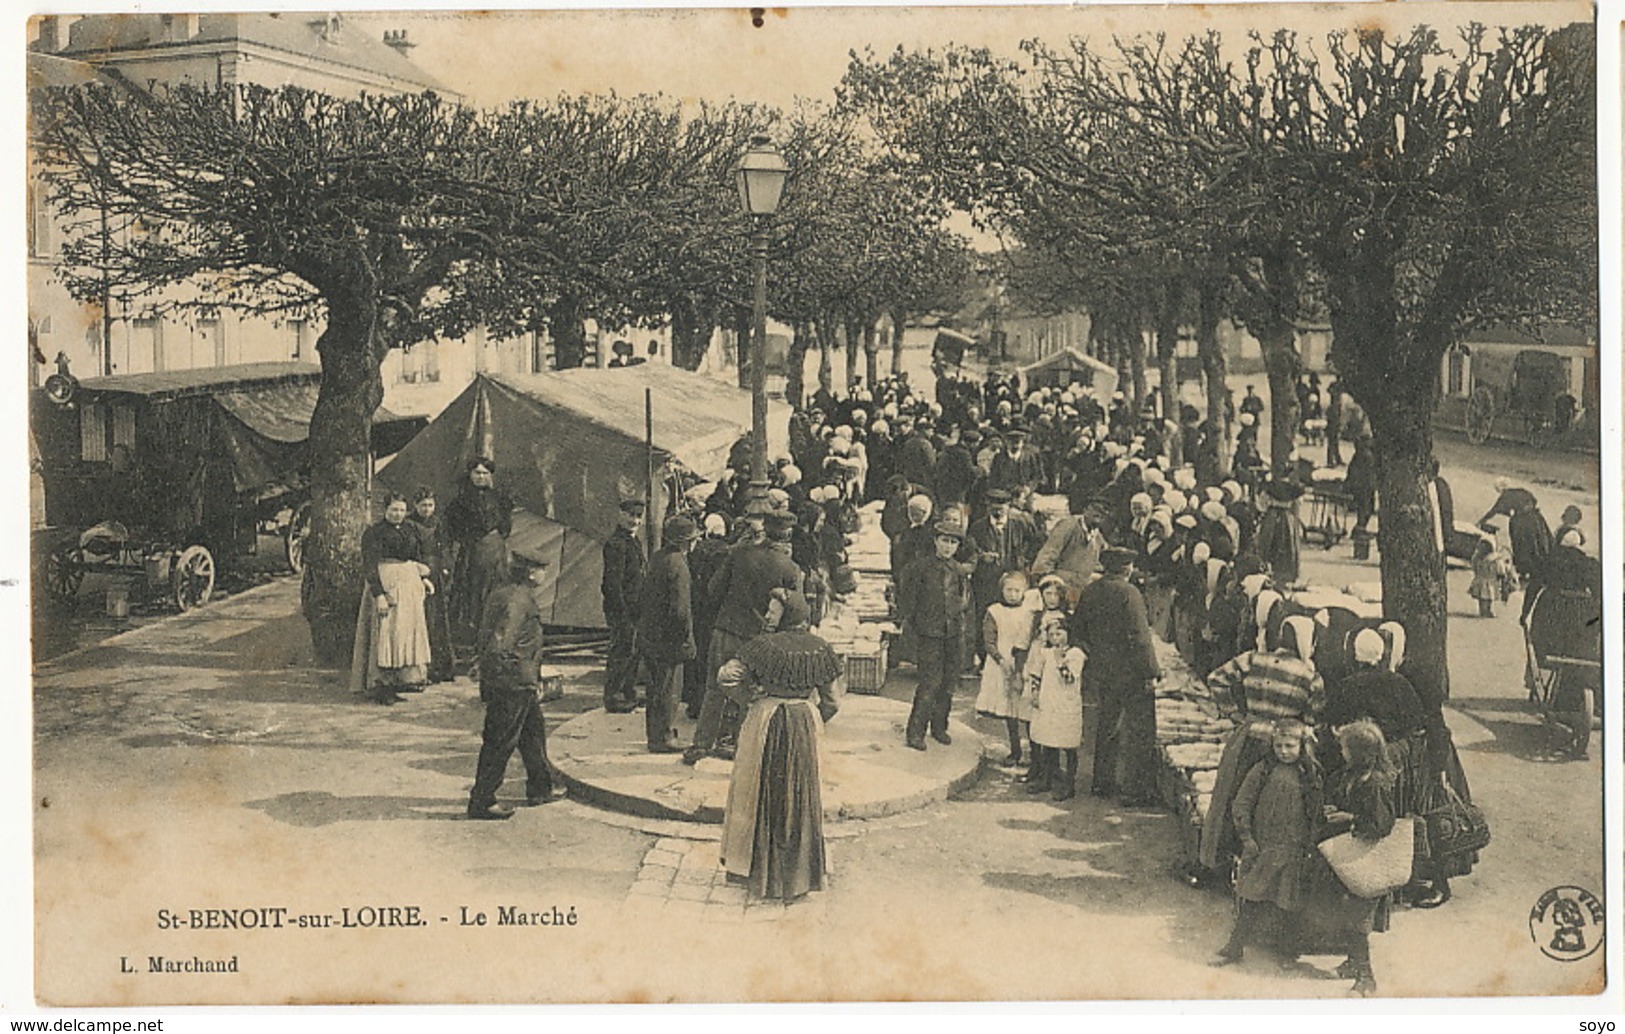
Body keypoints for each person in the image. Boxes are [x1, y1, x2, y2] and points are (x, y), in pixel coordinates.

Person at [718, 591, 842, 901]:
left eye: (773, 612)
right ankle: (799, 876)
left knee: (759, 792)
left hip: (767, 720)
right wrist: (813, 717)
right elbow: (832, 701)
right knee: (800, 797)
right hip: (804, 723)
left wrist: (751, 699)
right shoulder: (820, 649)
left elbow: (726, 677)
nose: (768, 616)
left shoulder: (762, 647)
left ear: (787, 615)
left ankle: (757, 872)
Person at [1199, 617, 1324, 874]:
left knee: (1232, 797)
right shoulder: (1310, 675)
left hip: (1247, 736)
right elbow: (1313, 716)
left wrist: (1233, 712)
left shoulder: (1252, 658)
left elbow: (1216, 679)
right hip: (1282, 744)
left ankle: (1218, 860)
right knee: (1267, 807)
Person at [686, 512, 804, 764]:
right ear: (787, 536)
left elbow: (713, 590)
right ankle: (737, 745)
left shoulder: (739, 554)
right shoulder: (790, 568)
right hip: (756, 638)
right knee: (747, 692)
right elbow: (795, 610)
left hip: (725, 628)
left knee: (713, 689)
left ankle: (701, 744)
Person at [1210, 719, 1321, 968]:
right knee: (1251, 896)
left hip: (1294, 850)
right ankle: (1235, 946)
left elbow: (1315, 813)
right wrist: (1247, 838)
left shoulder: (1310, 774)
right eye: (1279, 745)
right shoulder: (1262, 770)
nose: (1283, 751)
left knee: (1288, 902)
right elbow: (1242, 803)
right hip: (1262, 847)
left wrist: (1310, 845)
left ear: (1302, 746)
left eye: (1290, 746)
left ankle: (1287, 953)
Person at [1299, 721, 1397, 997]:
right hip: (1346, 857)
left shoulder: (1375, 784)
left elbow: (1381, 824)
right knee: (1346, 914)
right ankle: (1354, 962)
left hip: (1363, 860)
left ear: (1359, 753)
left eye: (1344, 748)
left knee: (1357, 920)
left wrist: (1349, 818)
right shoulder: (1350, 774)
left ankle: (1366, 977)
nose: (1341, 752)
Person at [467, 551, 561, 820]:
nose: (544, 574)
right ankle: (482, 800)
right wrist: (497, 671)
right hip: (512, 681)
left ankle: (540, 788)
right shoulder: (518, 600)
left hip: (520, 679)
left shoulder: (505, 593)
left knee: (533, 733)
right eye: (542, 569)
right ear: (531, 573)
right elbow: (500, 641)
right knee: (500, 741)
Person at [1070, 546, 1161, 804]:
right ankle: (1135, 791)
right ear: (1127, 568)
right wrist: (1152, 670)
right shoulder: (1129, 593)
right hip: (1131, 672)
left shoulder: (1091, 590)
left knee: (1107, 724)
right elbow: (1140, 638)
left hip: (1103, 670)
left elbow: (1078, 629)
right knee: (1139, 730)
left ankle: (1102, 782)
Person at [1521, 527, 1602, 759]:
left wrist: (1524, 614)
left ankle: (1549, 695)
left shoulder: (1548, 561)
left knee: (1545, 649)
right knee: (1582, 656)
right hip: (1580, 621)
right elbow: (1599, 595)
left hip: (1552, 618)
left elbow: (1534, 589)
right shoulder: (1590, 564)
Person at [350, 493, 433, 705]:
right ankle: (381, 685)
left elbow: (414, 557)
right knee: (386, 632)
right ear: (385, 510)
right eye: (394, 510)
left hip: (408, 584)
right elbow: (370, 565)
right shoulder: (374, 533)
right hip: (385, 582)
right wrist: (378, 595)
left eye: (402, 510)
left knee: (403, 632)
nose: (398, 515)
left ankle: (400, 680)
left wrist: (422, 579)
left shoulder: (409, 529)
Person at [896, 520, 972, 751]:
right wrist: (911, 627)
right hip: (929, 633)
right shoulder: (920, 568)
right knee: (929, 683)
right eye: (944, 541)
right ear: (935, 541)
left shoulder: (958, 571)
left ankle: (939, 727)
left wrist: (963, 632)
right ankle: (915, 732)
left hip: (953, 633)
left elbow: (965, 603)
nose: (948, 547)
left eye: (953, 543)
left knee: (948, 684)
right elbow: (908, 600)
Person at [639, 516, 699, 753]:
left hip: (651, 634)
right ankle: (663, 737)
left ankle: (655, 734)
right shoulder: (679, 565)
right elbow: (680, 610)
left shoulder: (658, 557)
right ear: (687, 542)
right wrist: (686, 640)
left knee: (655, 688)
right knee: (668, 689)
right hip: (669, 640)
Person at [444, 458, 513, 645]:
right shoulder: (460, 500)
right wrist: (471, 540)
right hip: (472, 552)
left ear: (490, 475)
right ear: (470, 475)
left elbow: (506, 526)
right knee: (471, 592)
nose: (481, 477)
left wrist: (494, 539)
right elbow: (452, 528)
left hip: (495, 551)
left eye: (485, 473)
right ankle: (470, 637)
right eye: (477, 473)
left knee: (494, 590)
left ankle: (492, 637)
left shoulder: (499, 498)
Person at [974, 571, 1039, 766]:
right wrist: (999, 659)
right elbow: (989, 640)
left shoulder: (1030, 612)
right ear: (1002, 590)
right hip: (1002, 663)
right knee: (1010, 709)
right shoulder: (994, 611)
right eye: (1009, 590)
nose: (1013, 594)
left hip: (1024, 663)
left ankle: (1035, 754)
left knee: (1027, 709)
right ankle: (1015, 750)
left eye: (1017, 590)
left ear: (1024, 591)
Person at [1023, 615, 1087, 801]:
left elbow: (1069, 678)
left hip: (1066, 703)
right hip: (1048, 701)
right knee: (1048, 740)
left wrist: (1060, 661)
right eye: (1051, 635)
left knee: (1068, 744)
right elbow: (1036, 674)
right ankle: (1046, 779)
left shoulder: (1076, 654)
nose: (1055, 638)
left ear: (1067, 633)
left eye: (1059, 634)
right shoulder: (1045, 653)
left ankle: (1069, 784)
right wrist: (1034, 693)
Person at [600, 499, 647, 714]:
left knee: (632, 650)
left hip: (635, 607)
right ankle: (614, 695)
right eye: (630, 515)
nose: (635, 520)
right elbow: (612, 583)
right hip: (622, 609)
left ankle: (628, 691)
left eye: (638, 516)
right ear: (620, 514)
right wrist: (621, 612)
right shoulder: (616, 544)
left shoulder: (632, 541)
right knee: (621, 650)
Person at [408, 486, 456, 683]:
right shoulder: (409, 523)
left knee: (438, 619)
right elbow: (410, 549)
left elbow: (445, 546)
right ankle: (420, 668)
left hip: (436, 571)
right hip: (418, 569)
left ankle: (441, 667)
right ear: (415, 505)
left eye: (430, 505)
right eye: (423, 505)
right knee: (421, 617)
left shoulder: (438, 523)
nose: (427, 509)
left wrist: (445, 566)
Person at [1254, 479, 1305, 588]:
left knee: (1268, 543)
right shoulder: (1294, 488)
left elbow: (1261, 505)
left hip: (1272, 517)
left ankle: (1269, 571)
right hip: (1287, 518)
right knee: (1287, 544)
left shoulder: (1269, 486)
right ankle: (1285, 574)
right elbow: (1297, 507)